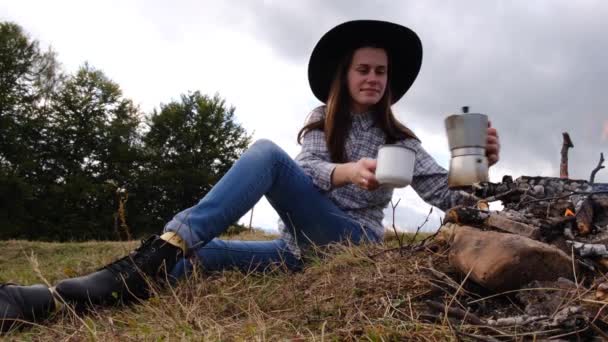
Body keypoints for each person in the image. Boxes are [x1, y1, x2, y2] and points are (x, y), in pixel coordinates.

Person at [0, 19, 500, 330]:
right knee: (189, 261)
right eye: (363, 69)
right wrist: (347, 172)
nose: (372, 78)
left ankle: (169, 241)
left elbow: (446, 195)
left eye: (380, 72)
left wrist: (480, 165)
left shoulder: (402, 140)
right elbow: (307, 169)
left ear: (390, 82)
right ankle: (44, 299)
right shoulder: (322, 123)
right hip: (292, 251)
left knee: (263, 153)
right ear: (344, 76)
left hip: (350, 242)